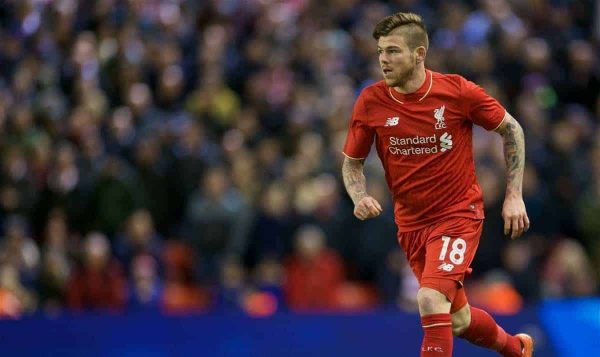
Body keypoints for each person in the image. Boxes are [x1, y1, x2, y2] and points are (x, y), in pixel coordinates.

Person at [341, 12, 533, 357]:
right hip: (411, 225)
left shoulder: (456, 91)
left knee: (430, 299)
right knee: (457, 320)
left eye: (394, 51)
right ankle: (516, 348)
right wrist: (359, 196)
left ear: (419, 54)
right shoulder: (371, 101)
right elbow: (352, 164)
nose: (384, 59)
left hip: (458, 215)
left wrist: (514, 195)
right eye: (381, 51)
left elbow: (511, 129)